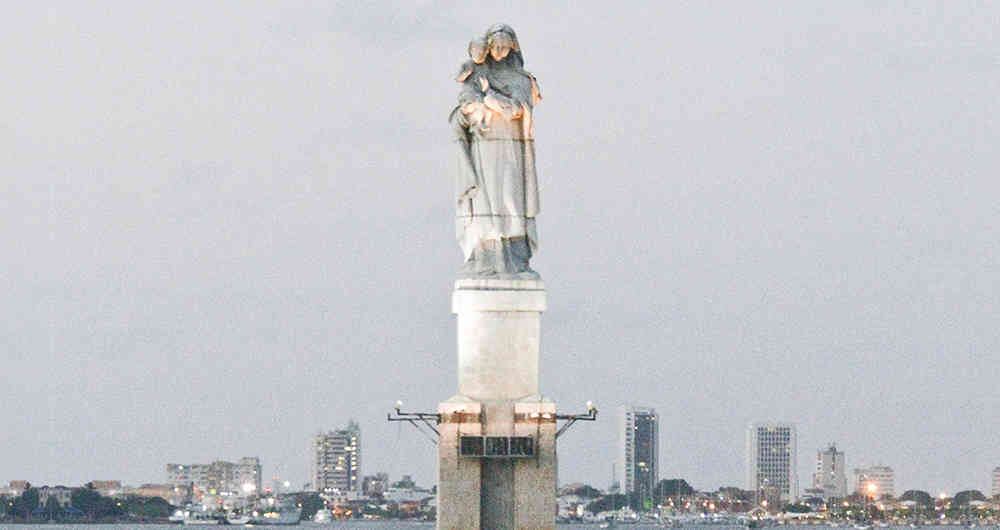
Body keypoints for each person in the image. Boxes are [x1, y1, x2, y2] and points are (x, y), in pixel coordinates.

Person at [450, 24, 542, 278]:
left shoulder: (521, 79)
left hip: (510, 148)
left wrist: (489, 96)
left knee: (510, 201)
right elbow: (465, 105)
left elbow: (517, 110)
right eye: (495, 46)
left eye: (505, 46)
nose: (499, 51)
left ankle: (514, 257)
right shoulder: (476, 75)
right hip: (483, 149)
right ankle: (484, 255)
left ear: (513, 46)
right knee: (484, 202)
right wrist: (470, 109)